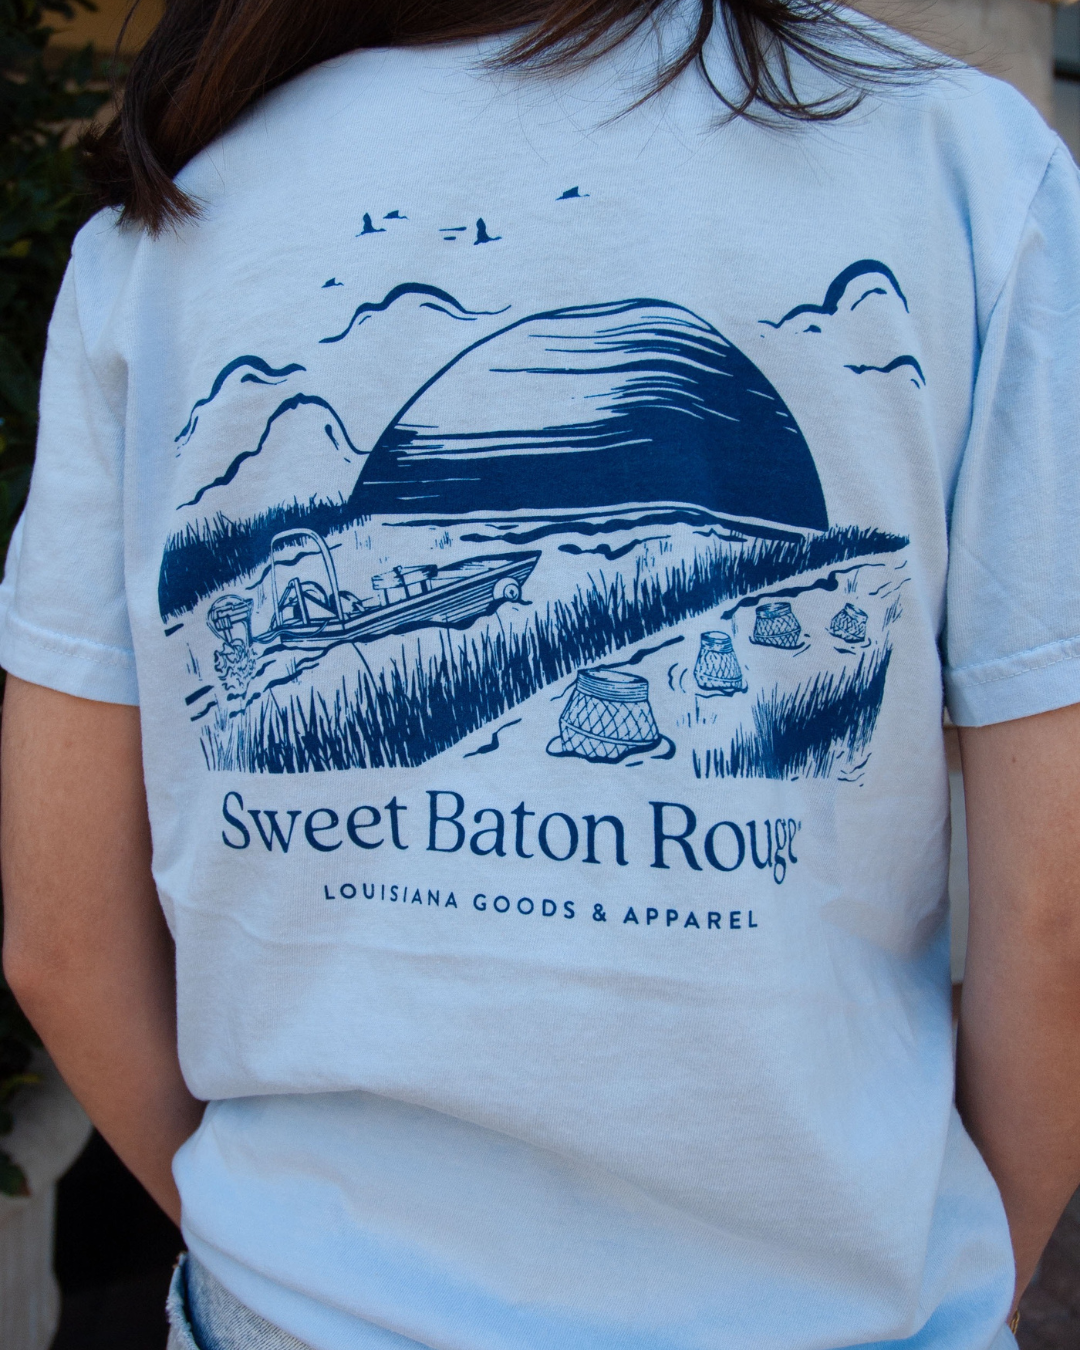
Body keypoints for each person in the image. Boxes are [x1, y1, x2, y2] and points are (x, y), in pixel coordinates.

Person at [2, 0, 1079, 1345]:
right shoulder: (963, 168)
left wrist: (277, 1259)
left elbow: (59, 941)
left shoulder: (169, 223)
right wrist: (964, 1276)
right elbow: (1055, 920)